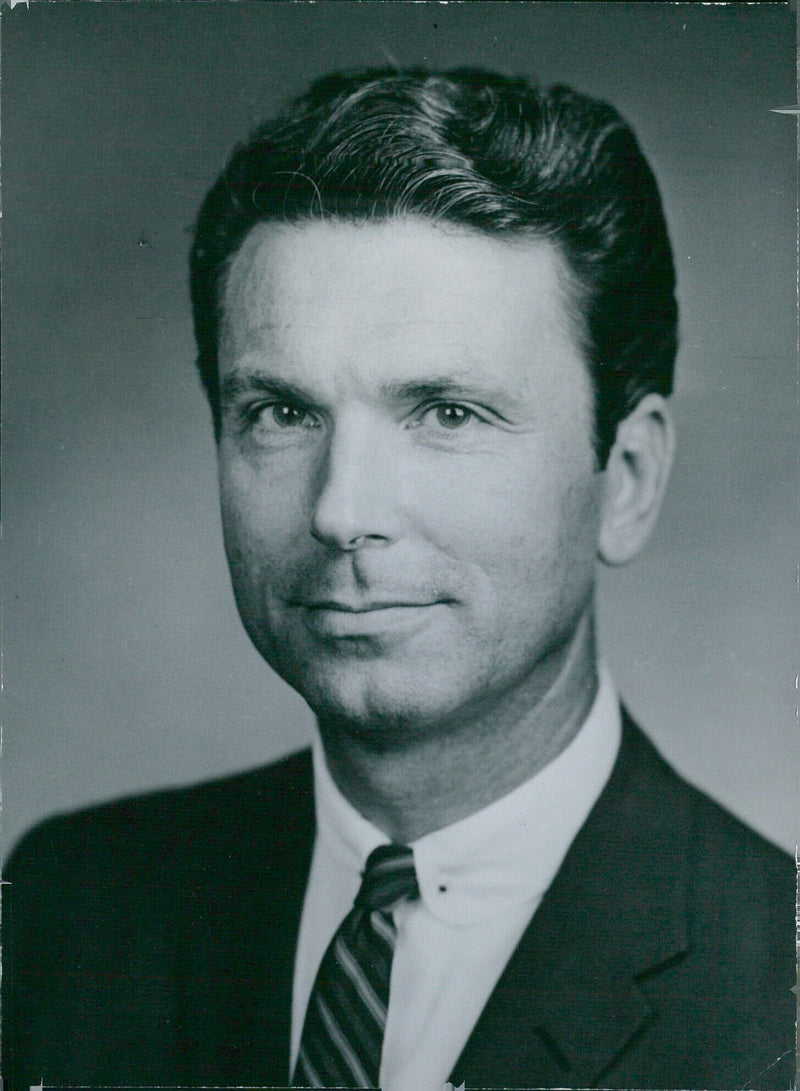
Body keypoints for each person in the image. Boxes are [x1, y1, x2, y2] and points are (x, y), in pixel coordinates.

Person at [3, 68, 795, 1091]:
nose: (341, 511)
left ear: (626, 480)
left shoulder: (773, 980)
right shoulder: (66, 908)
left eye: (448, 413)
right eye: (281, 413)